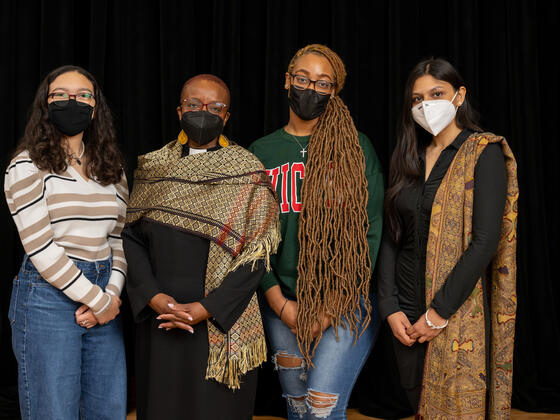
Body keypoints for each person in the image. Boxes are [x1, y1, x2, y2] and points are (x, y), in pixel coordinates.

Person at [122, 74, 280, 420]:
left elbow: (257, 254)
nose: (203, 112)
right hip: (160, 320)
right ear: (179, 110)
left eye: (215, 107)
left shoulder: (247, 172)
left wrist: (207, 308)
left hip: (220, 322)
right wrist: (152, 296)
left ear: (226, 117)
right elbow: (130, 237)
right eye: (194, 105)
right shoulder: (152, 167)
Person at [248, 44, 384, 419]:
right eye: (303, 79)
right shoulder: (262, 151)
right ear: (288, 81)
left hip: (344, 303)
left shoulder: (356, 147)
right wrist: (278, 302)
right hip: (283, 303)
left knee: (321, 406)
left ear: (334, 92)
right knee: (296, 408)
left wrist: (330, 306)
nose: (311, 89)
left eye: (323, 83)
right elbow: (253, 237)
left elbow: (371, 232)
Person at [378, 58, 518, 418]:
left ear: (459, 96)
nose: (426, 105)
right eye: (416, 99)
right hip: (405, 315)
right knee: (417, 402)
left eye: (436, 93)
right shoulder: (408, 157)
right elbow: (393, 233)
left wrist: (437, 313)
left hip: (454, 313)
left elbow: (485, 242)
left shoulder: (483, 153)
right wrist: (389, 306)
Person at [5, 65, 128, 420]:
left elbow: (118, 237)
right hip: (47, 297)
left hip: (106, 292)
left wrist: (112, 295)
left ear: (95, 107)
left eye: (82, 95)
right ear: (46, 104)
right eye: (61, 95)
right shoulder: (26, 166)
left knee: (108, 409)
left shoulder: (110, 167)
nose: (71, 101)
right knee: (53, 412)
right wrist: (97, 300)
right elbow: (40, 248)